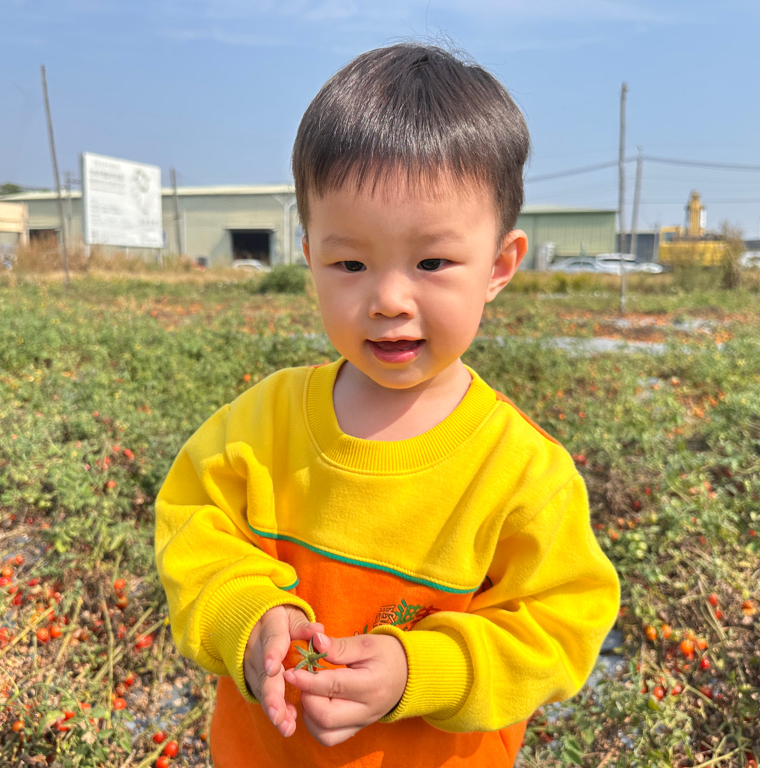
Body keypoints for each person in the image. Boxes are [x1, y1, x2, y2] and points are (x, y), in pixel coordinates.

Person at [155, 42, 620, 768]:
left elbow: (559, 628)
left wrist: (420, 670)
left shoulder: (523, 473)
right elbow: (194, 530)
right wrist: (247, 621)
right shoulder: (262, 423)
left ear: (499, 266)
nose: (389, 300)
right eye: (351, 263)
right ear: (310, 256)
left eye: (432, 262)